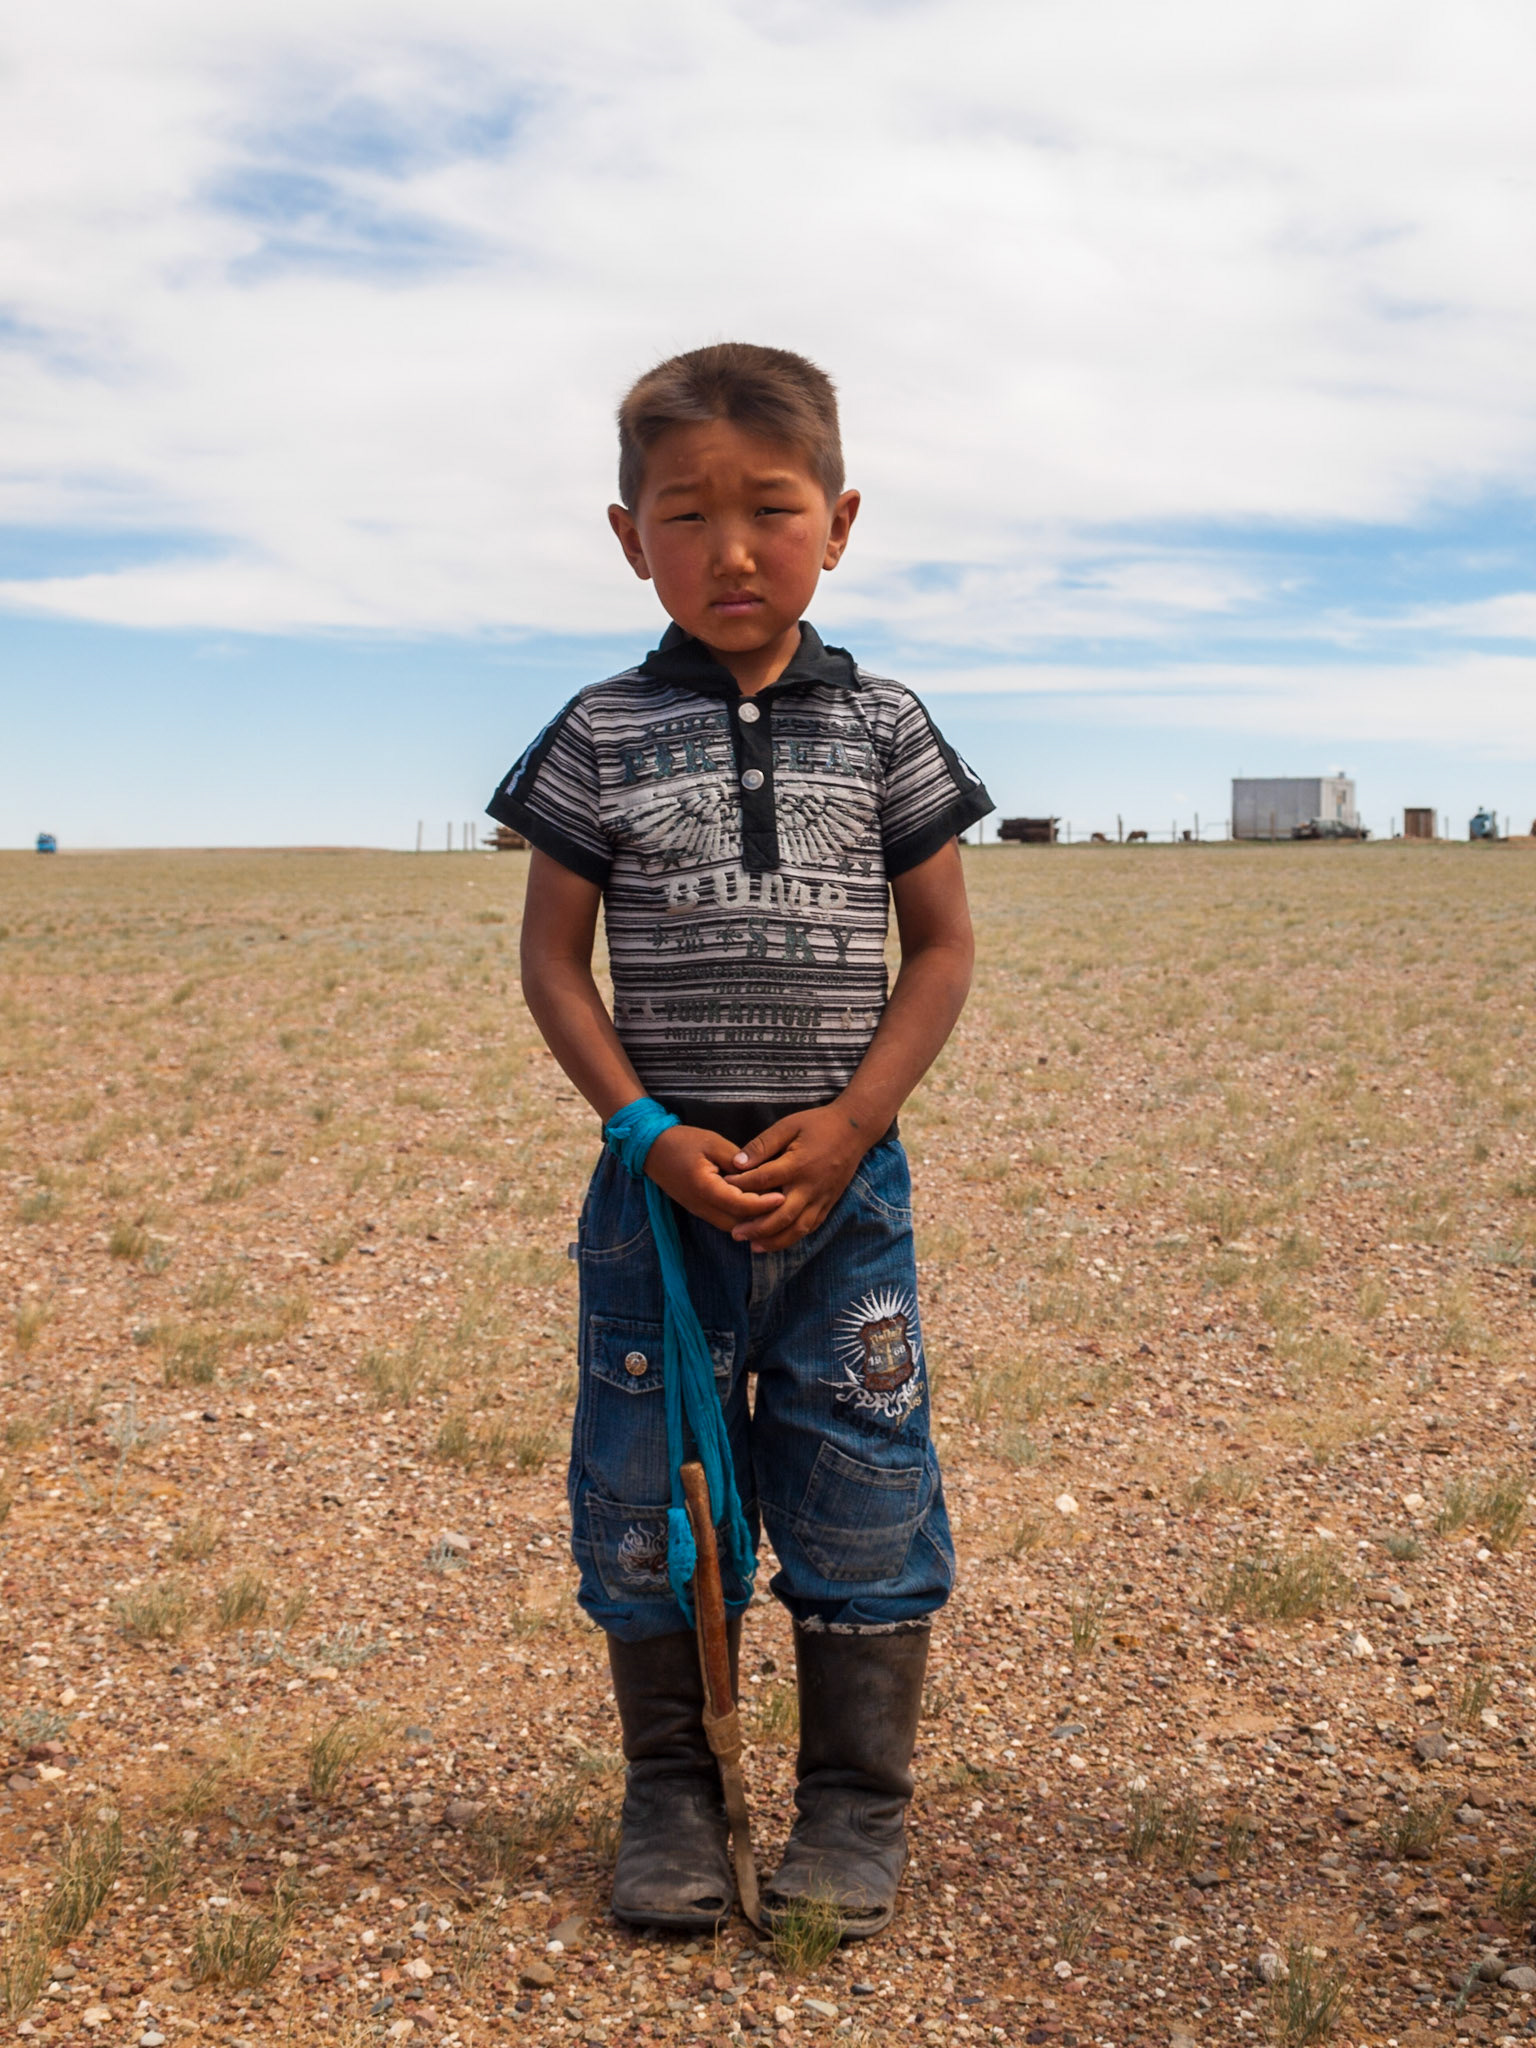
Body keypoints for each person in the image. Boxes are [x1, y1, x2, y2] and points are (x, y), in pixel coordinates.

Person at [488, 342, 992, 1940]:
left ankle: (853, 1811)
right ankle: (675, 1796)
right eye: (686, 515)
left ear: (836, 523)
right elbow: (553, 961)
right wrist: (641, 1129)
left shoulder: (889, 729)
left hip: (842, 1193)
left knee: (863, 1477)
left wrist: (855, 1124)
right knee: (653, 1494)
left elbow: (944, 951)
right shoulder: (601, 732)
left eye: (769, 511)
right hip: (661, 1193)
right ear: (628, 536)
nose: (731, 548)